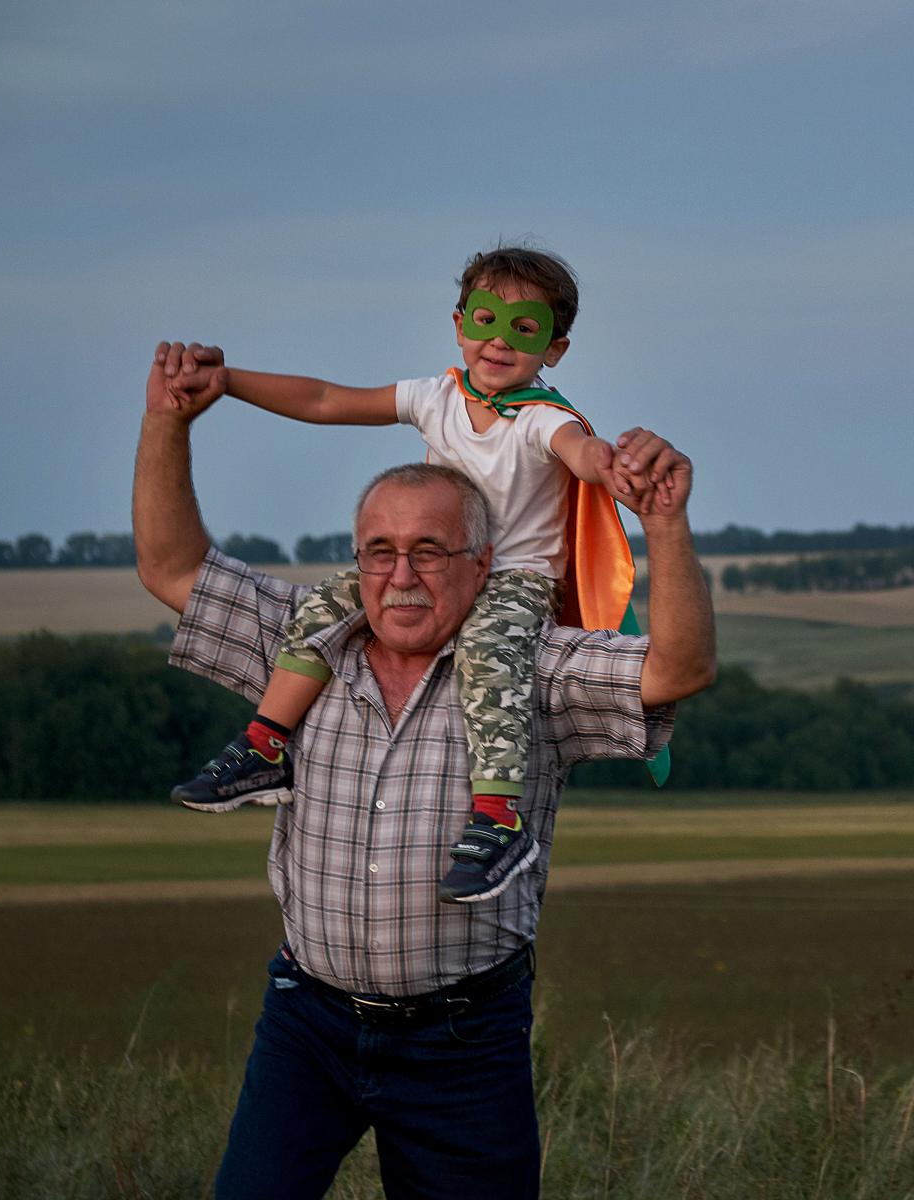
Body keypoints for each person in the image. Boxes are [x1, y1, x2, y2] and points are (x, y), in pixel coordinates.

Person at [133, 342, 716, 1200]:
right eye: (380, 551)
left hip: (464, 1042)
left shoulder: (532, 669)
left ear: (484, 565)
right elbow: (172, 568)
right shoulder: (307, 644)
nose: (401, 576)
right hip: (305, 1026)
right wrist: (168, 421)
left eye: (430, 551)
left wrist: (663, 523)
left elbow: (678, 670)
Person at [161, 246, 663, 904]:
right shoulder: (437, 396)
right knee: (327, 604)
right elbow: (324, 399)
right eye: (485, 320)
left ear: (555, 348)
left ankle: (499, 816)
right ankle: (265, 746)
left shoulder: (544, 419)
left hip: (515, 581)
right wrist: (229, 381)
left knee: (489, 650)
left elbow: (581, 452)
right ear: (459, 324)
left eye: (524, 329)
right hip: (432, 565)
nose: (499, 341)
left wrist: (613, 463)